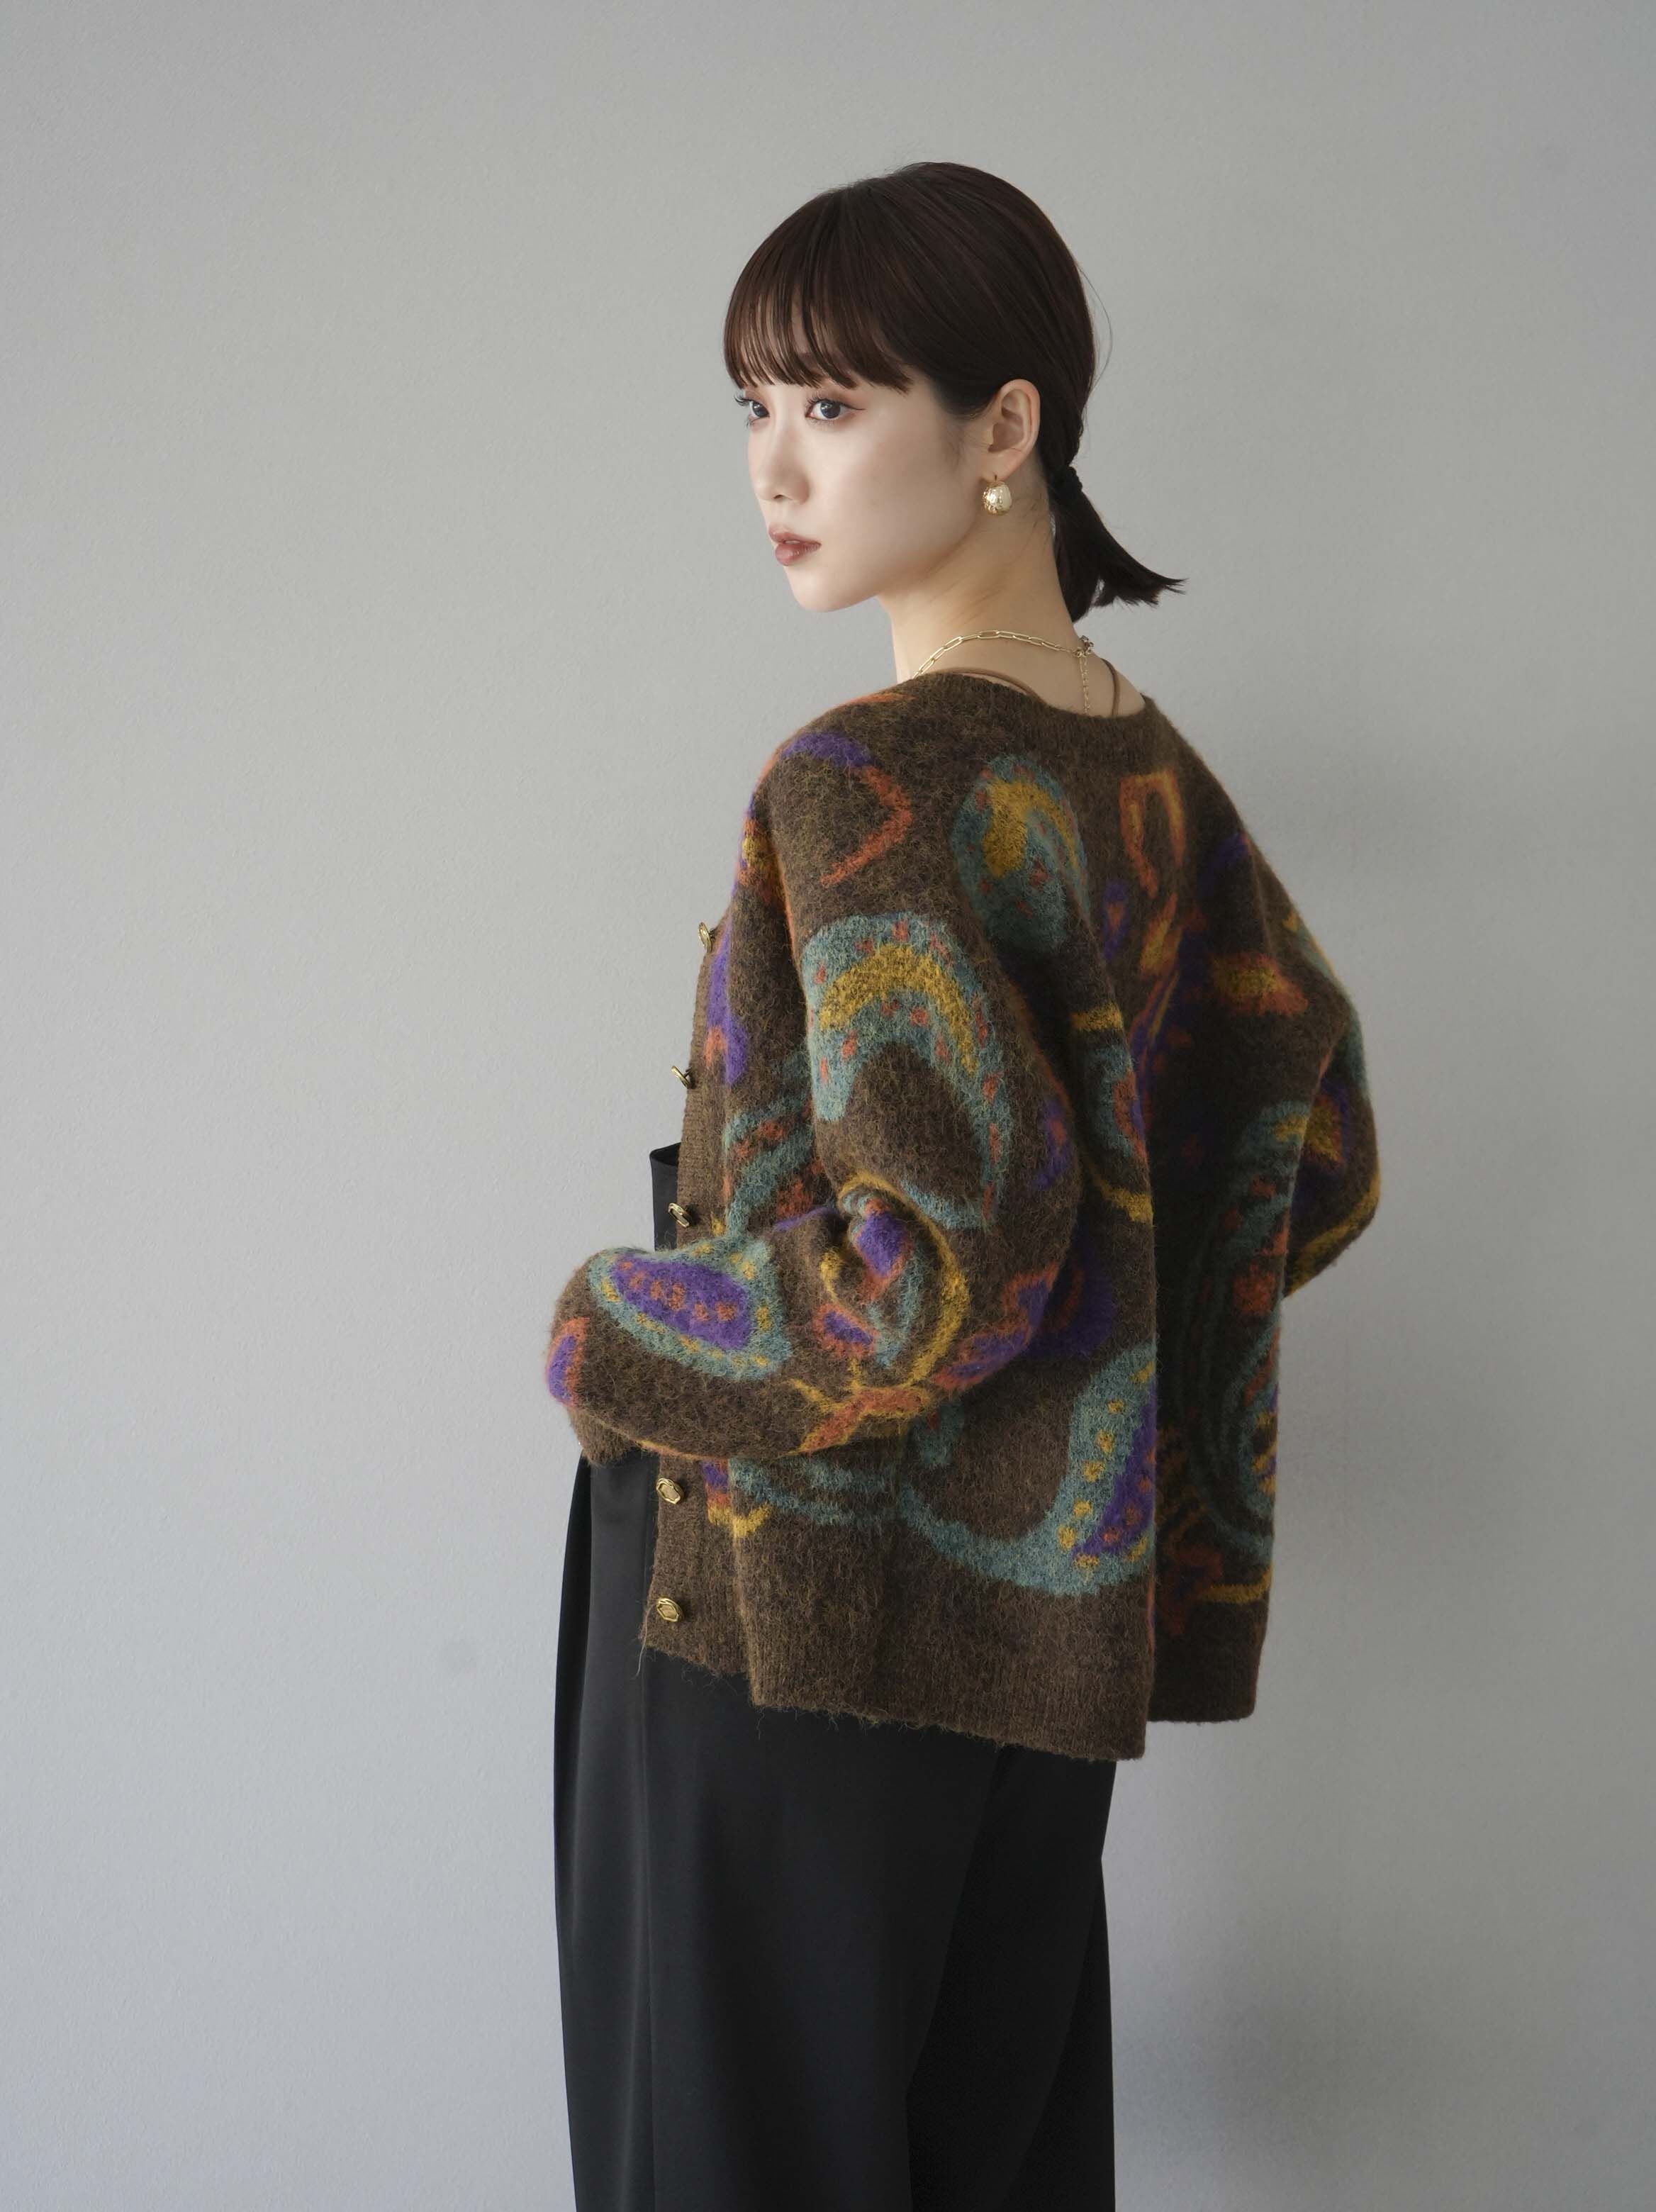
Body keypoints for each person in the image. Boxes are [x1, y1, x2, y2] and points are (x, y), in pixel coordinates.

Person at [546, 160, 1381, 2211]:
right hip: (1024, 1667)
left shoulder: (871, 777)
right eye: (755, 406)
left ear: (1007, 423)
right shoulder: (1145, 771)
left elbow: (926, 1271)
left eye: (834, 405)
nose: (776, 467)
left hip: (790, 1621)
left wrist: (612, 1331)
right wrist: (1077, 1404)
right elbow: (1315, 1149)